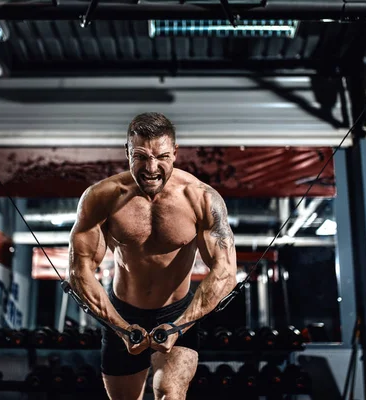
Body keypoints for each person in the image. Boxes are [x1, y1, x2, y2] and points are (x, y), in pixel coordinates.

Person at [68, 112, 238, 400]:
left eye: (161, 156)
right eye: (140, 156)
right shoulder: (102, 197)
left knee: (169, 393)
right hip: (121, 311)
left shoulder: (201, 198)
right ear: (127, 152)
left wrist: (180, 324)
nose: (151, 167)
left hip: (178, 313)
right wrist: (120, 327)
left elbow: (225, 271)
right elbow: (80, 271)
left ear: (175, 153)